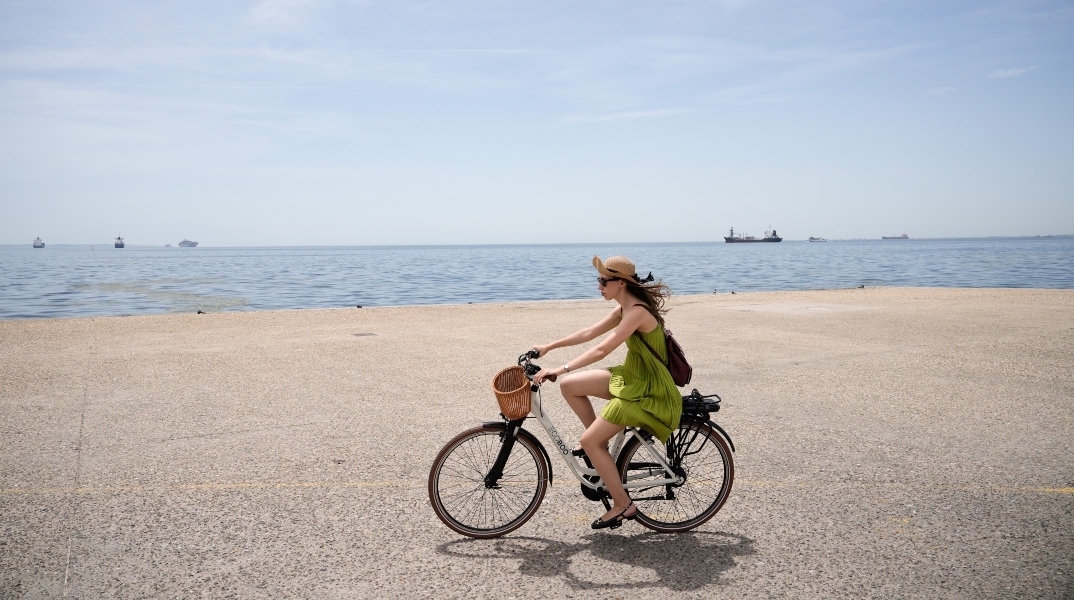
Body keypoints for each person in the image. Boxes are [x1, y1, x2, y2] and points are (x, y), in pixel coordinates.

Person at [533, 255, 682, 530]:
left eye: (603, 281)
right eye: (598, 280)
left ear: (621, 283)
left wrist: (560, 368)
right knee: (570, 386)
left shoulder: (637, 311)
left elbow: (602, 349)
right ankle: (599, 448)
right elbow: (589, 332)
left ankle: (623, 504)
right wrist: (549, 346)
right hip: (633, 377)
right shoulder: (624, 308)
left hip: (647, 389)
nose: (599, 286)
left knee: (588, 439)